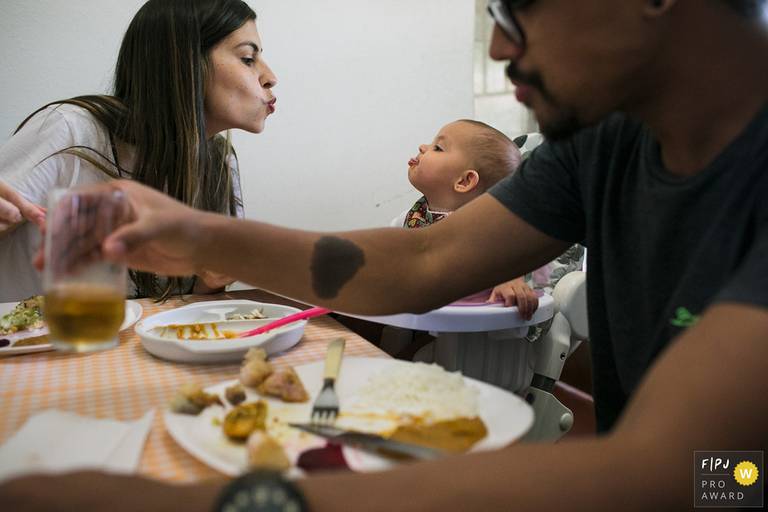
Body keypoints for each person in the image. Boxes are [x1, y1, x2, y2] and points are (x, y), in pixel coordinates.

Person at [3, 0, 768, 510]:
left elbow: (690, 475)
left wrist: (187, 500)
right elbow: (422, 261)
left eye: (515, 6)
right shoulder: (601, 143)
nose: (499, 45)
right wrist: (201, 233)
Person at [0, 0, 277, 302]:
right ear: (184, 63)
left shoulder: (219, 161)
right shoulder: (70, 130)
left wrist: (211, 277)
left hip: (132, 348)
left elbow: (193, 302)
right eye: (248, 58)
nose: (270, 76)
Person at [393, 118, 539, 318]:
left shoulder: (484, 231)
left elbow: (507, 256)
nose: (423, 146)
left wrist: (509, 279)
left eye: (437, 148)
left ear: (464, 181)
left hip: (467, 334)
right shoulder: (411, 218)